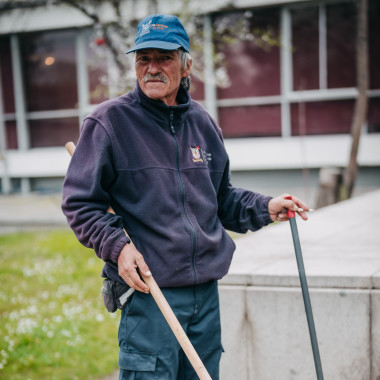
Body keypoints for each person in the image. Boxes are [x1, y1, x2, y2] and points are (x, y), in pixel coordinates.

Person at [62, 14, 309, 380]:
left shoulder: (203, 124)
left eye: (163, 58)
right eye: (143, 59)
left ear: (186, 63)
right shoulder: (108, 123)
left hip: (204, 297)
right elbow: (80, 203)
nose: (152, 68)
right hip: (151, 294)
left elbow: (221, 200)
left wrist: (266, 207)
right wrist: (118, 247)